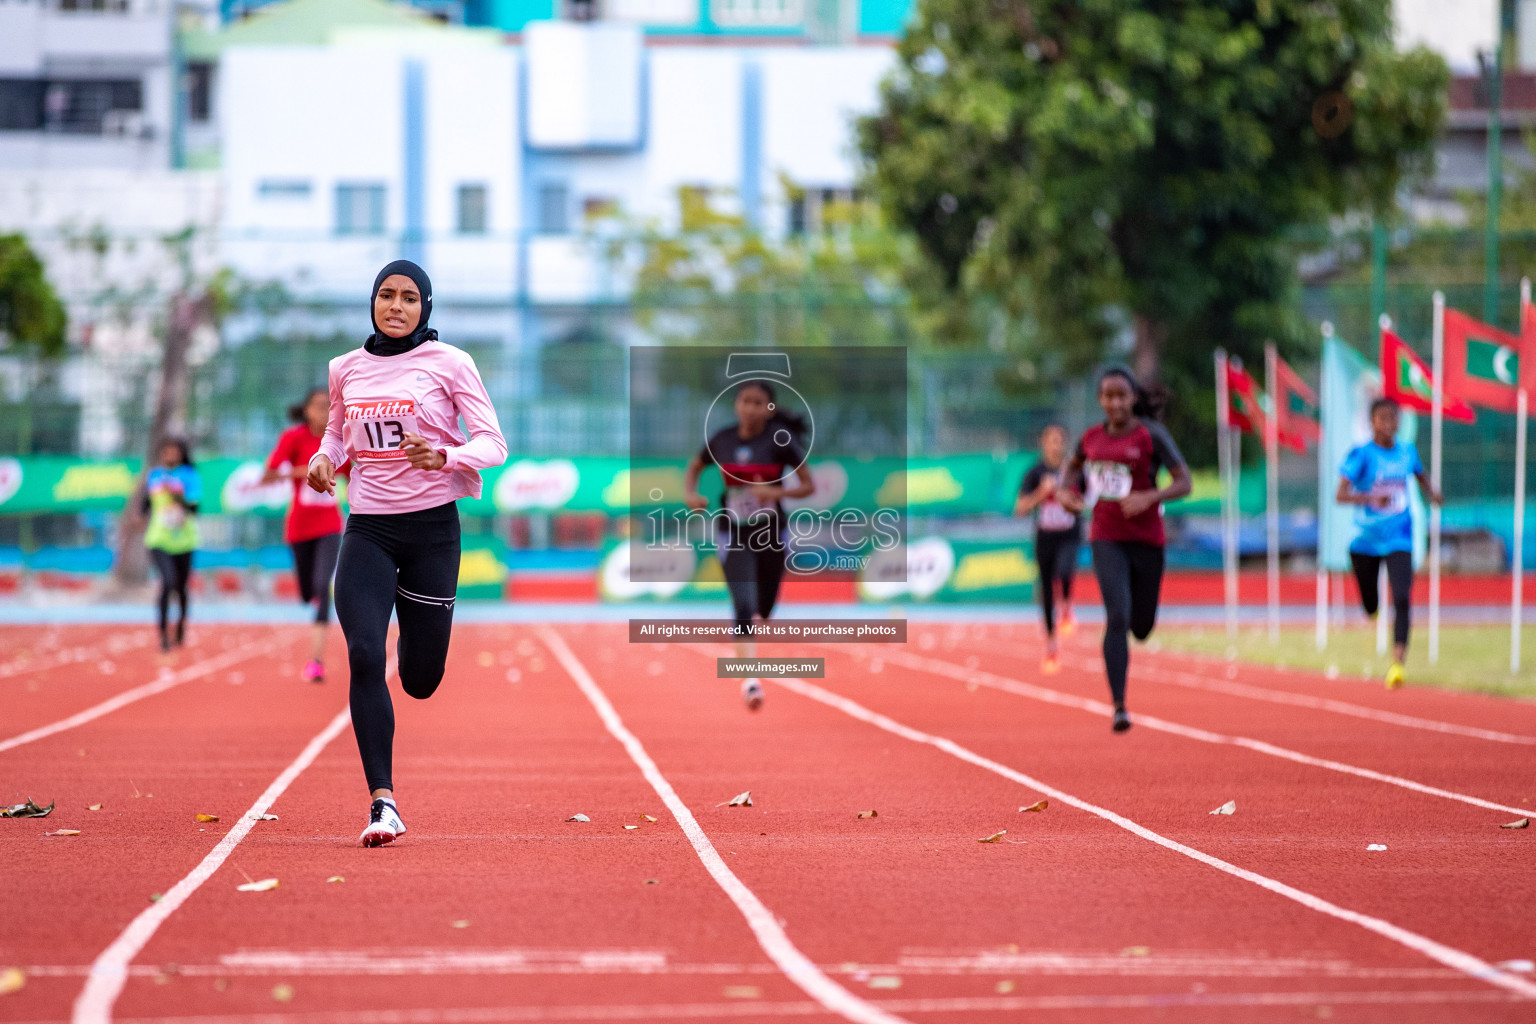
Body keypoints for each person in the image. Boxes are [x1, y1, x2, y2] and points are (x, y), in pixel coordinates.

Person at [307, 259, 507, 847]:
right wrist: (325, 461)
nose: (397, 306)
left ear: (426, 308)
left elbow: (493, 443)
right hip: (367, 530)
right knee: (366, 655)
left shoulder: (451, 364)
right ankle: (383, 804)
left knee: (420, 679)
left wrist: (444, 456)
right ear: (372, 302)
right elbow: (336, 435)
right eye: (387, 296)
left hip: (431, 534)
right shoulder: (345, 368)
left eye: (410, 298)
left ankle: (420, 630)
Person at [1059, 367, 1191, 732]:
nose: (1115, 403)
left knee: (1142, 626)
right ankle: (1119, 705)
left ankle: (1138, 625)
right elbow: (1069, 472)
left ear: (1133, 398)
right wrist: (1065, 494)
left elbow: (1185, 482)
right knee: (1117, 615)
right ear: (1100, 400)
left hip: (1148, 539)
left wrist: (1151, 495)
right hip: (1107, 536)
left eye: (1121, 395)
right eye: (1108, 396)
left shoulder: (1152, 435)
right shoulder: (1090, 438)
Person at [683, 379, 815, 711]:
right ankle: (750, 680)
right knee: (743, 604)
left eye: (758, 403)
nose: (750, 408)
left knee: (764, 608)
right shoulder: (722, 440)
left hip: (771, 532)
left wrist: (776, 493)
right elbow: (695, 466)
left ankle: (759, 618)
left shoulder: (780, 442)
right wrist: (691, 494)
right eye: (744, 401)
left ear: (769, 408)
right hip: (733, 532)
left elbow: (808, 486)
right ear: (736, 405)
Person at [1335, 396, 1440, 689]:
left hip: (1399, 537)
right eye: (1382, 418)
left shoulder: (1407, 452)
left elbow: (1420, 475)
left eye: (1393, 419)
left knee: (1403, 598)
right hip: (1365, 540)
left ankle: (1397, 663)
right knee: (1371, 603)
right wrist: (1370, 497)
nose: (1389, 424)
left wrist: (1433, 492)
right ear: (1372, 422)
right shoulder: (1361, 454)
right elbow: (1340, 495)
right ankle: (1372, 609)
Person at [265, 387, 348, 683]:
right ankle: (312, 595)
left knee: (323, 585)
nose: (324, 411)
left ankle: (316, 661)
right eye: (318, 406)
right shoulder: (294, 438)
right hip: (300, 526)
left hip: (329, 525)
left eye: (330, 406)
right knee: (306, 592)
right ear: (306, 410)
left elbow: (353, 473)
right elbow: (270, 474)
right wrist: (308, 471)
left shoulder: (341, 438)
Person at [1015, 424, 1081, 674]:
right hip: (1045, 538)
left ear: (1064, 444)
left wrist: (1069, 499)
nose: (1055, 445)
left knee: (1064, 569)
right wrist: (1042, 494)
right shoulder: (1034, 473)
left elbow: (1087, 499)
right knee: (1045, 589)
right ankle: (1052, 643)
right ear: (1043, 444)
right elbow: (1020, 509)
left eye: (1059, 441)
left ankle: (1067, 605)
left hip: (1069, 535)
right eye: (1050, 441)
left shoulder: (1074, 471)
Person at [143, 438, 201, 653]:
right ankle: (163, 634)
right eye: (166, 451)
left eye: (174, 451)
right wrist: (140, 516)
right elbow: (146, 503)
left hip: (185, 540)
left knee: (181, 587)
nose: (170, 456)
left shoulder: (190, 475)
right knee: (168, 582)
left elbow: (195, 509)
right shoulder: (154, 476)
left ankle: (181, 624)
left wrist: (177, 495)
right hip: (158, 539)